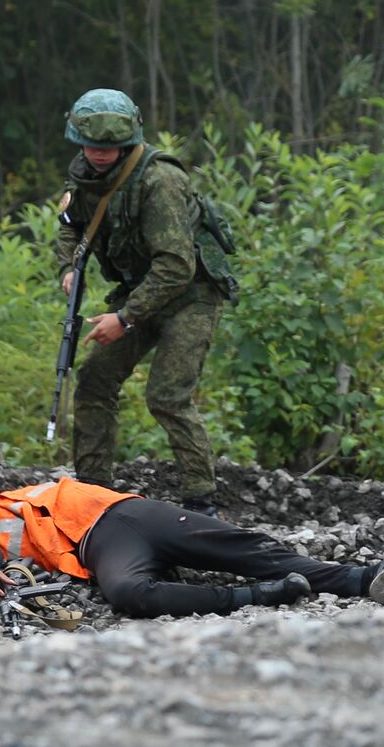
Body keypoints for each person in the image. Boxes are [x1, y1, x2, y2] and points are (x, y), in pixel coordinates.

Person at [56, 88, 238, 516]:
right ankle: (94, 491)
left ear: (128, 141)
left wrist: (125, 316)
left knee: (168, 395)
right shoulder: (84, 176)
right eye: (93, 146)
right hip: (138, 290)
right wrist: (68, 267)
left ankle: (200, 498)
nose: (100, 155)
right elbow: (71, 224)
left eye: (111, 148)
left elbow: (176, 265)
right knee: (95, 382)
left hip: (190, 294)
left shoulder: (160, 180)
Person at [0, 477, 384, 618]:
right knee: (130, 592)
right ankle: (265, 596)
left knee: (241, 545)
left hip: (127, 510)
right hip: (102, 541)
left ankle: (362, 579)